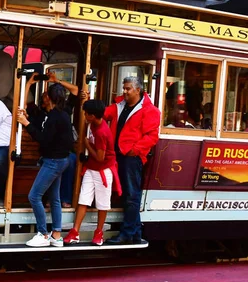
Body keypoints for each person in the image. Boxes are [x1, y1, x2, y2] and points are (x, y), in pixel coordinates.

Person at [104, 76, 160, 245]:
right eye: (125, 88)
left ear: (138, 90)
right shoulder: (119, 105)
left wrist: (134, 150)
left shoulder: (150, 110)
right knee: (128, 195)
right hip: (118, 155)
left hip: (131, 157)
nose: (125, 91)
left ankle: (128, 233)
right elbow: (104, 113)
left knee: (131, 195)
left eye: (128, 88)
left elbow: (152, 137)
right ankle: (135, 232)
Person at [17, 83, 73, 247]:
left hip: (53, 161)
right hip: (61, 160)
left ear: (49, 97)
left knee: (34, 196)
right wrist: (28, 119)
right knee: (54, 198)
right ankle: (56, 234)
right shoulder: (61, 115)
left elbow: (42, 138)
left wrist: (26, 124)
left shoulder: (55, 117)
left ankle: (43, 234)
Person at [64, 100, 120, 246]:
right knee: (83, 199)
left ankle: (99, 232)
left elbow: (101, 158)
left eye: (86, 113)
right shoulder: (93, 125)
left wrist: (87, 144)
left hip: (103, 169)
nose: (84, 115)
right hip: (92, 168)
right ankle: (75, 231)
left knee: (102, 203)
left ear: (93, 116)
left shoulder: (102, 132)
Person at [25, 70, 79, 208]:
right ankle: (50, 200)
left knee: (71, 159)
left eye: (47, 94)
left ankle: (65, 198)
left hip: (60, 154)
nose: (45, 96)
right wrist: (29, 84)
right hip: (47, 153)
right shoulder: (38, 114)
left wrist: (56, 81)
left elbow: (75, 90)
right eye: (44, 95)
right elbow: (24, 105)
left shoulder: (63, 111)